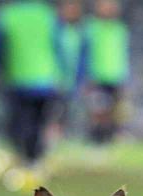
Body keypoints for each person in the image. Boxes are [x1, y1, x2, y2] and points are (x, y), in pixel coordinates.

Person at [0, 0, 63, 171]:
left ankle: (25, 157)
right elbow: (58, 47)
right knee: (37, 122)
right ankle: (33, 158)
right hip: (44, 79)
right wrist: (60, 75)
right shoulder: (47, 14)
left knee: (20, 122)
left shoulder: (6, 15)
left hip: (17, 79)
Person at [84, 0, 129, 144]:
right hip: (97, 76)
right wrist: (87, 75)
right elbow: (85, 53)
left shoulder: (120, 29)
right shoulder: (90, 28)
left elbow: (123, 53)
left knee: (112, 111)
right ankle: (97, 138)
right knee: (98, 109)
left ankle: (109, 138)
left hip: (115, 76)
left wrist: (125, 75)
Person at [55, 0, 87, 136]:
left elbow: (84, 58)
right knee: (54, 113)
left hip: (73, 81)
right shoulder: (55, 29)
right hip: (55, 81)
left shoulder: (81, 32)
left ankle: (67, 137)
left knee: (68, 113)